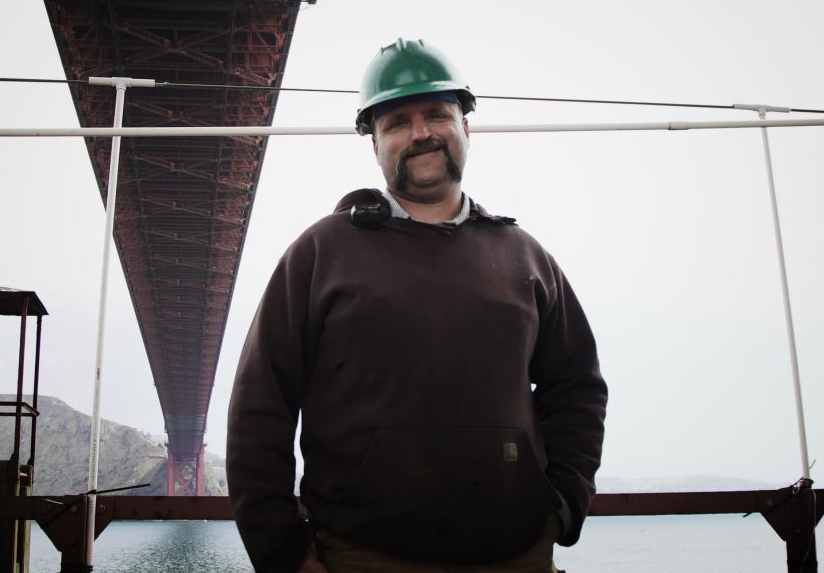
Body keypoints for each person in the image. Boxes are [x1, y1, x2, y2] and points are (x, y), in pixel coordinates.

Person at [227, 38, 607, 573]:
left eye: (436, 114)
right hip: (360, 557)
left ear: (466, 127)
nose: (421, 132)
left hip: (517, 555)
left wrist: (565, 503)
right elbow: (260, 404)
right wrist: (282, 552)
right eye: (398, 121)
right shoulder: (320, 253)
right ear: (374, 143)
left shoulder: (525, 256)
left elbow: (577, 385)